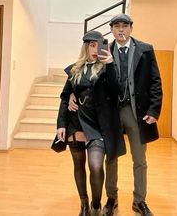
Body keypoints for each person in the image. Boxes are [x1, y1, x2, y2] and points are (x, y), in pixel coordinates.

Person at [69, 14, 162, 216]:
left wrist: (154, 110)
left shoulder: (145, 49)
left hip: (136, 111)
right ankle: (112, 198)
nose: (121, 30)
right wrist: (71, 95)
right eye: (117, 26)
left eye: (125, 26)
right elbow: (86, 79)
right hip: (110, 113)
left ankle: (140, 200)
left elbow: (155, 81)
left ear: (131, 28)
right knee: (111, 157)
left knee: (139, 157)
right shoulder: (103, 50)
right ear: (111, 29)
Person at [56, 30, 126, 216]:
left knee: (95, 166)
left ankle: (96, 204)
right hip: (76, 123)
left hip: (98, 125)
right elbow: (64, 98)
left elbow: (116, 90)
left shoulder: (106, 68)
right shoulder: (75, 69)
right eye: (91, 45)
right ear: (86, 47)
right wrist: (61, 124)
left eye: (98, 45)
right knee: (78, 165)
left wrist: (110, 64)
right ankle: (84, 205)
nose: (95, 50)